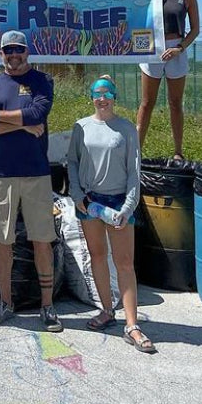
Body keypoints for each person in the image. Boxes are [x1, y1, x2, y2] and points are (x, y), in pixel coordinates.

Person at [0, 31, 62, 332]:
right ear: (1, 53)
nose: (14, 55)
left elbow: (38, 112)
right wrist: (23, 126)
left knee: (42, 241)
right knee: (2, 241)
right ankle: (5, 302)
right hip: (0, 173)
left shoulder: (43, 81)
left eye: (19, 50)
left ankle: (47, 307)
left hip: (36, 173)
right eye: (8, 50)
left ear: (28, 52)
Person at [68, 76, 156, 352]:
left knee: (124, 262)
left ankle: (132, 324)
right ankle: (107, 309)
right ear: (91, 97)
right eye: (97, 94)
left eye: (107, 94)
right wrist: (77, 195)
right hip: (90, 203)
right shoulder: (80, 127)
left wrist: (128, 206)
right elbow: (72, 161)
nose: (102, 99)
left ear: (114, 97)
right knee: (97, 256)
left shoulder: (126, 130)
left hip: (119, 203)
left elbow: (134, 172)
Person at [136, 0, 201, 161]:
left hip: (176, 49)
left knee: (175, 103)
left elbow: (195, 30)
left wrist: (180, 48)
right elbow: (134, 3)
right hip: (154, 48)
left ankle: (178, 152)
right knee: (147, 103)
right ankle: (136, 151)